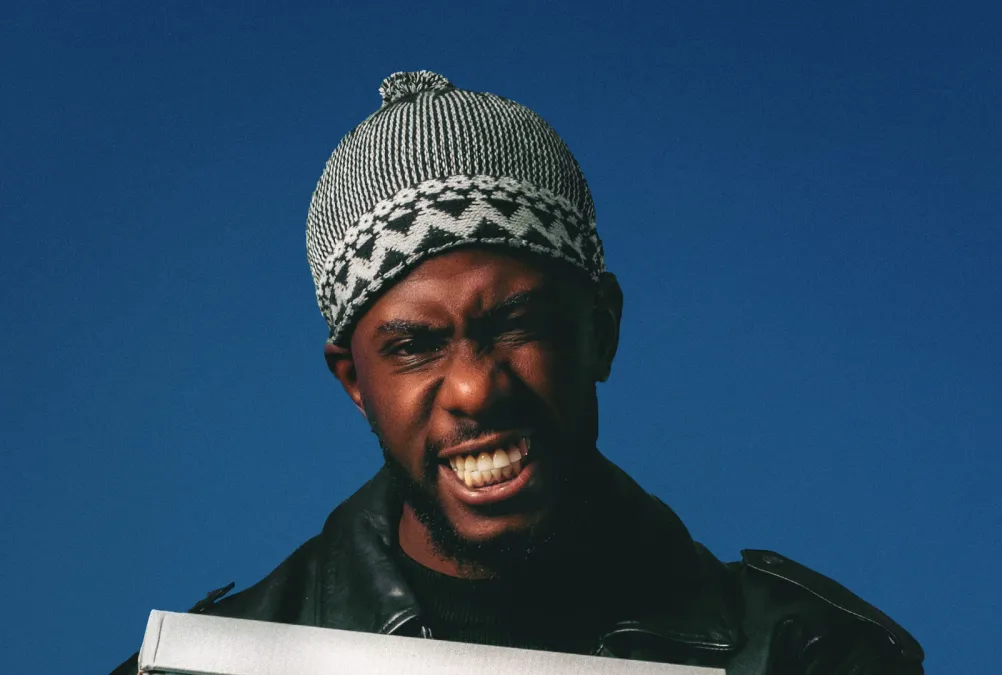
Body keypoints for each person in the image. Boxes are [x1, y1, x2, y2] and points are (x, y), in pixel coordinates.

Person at [111, 70, 924, 675]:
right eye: (414, 346)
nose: (475, 389)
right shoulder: (200, 670)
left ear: (601, 330)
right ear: (355, 384)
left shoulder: (809, 658)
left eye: (517, 325)